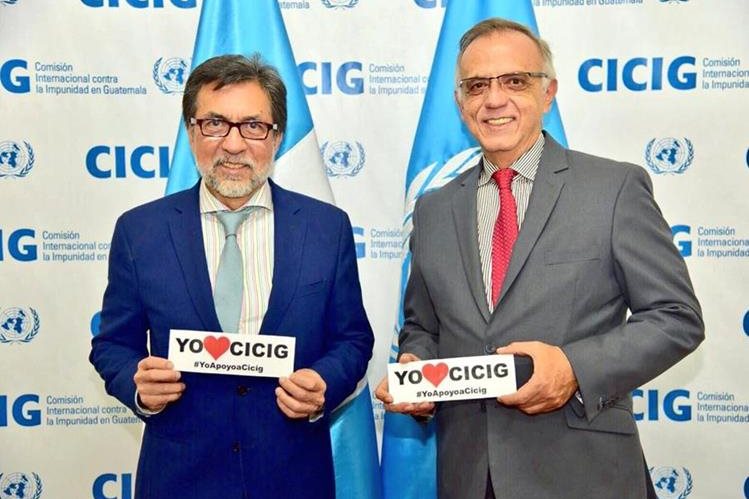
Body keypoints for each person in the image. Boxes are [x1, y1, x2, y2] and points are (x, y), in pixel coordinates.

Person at [375, 18, 704, 499]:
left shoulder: (613, 189)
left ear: (548, 92)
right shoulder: (433, 210)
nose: (494, 99)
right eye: (477, 86)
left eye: (515, 81)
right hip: (470, 476)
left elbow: (676, 318)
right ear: (461, 103)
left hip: (585, 475)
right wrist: (420, 371)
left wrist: (573, 368)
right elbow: (424, 326)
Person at [90, 54, 374, 499]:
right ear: (191, 131)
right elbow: (112, 345)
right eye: (215, 124)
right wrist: (138, 385)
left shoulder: (326, 228)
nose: (234, 144)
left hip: (293, 476)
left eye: (253, 126)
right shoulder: (140, 231)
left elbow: (353, 340)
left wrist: (323, 383)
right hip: (179, 479)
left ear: (276, 136)